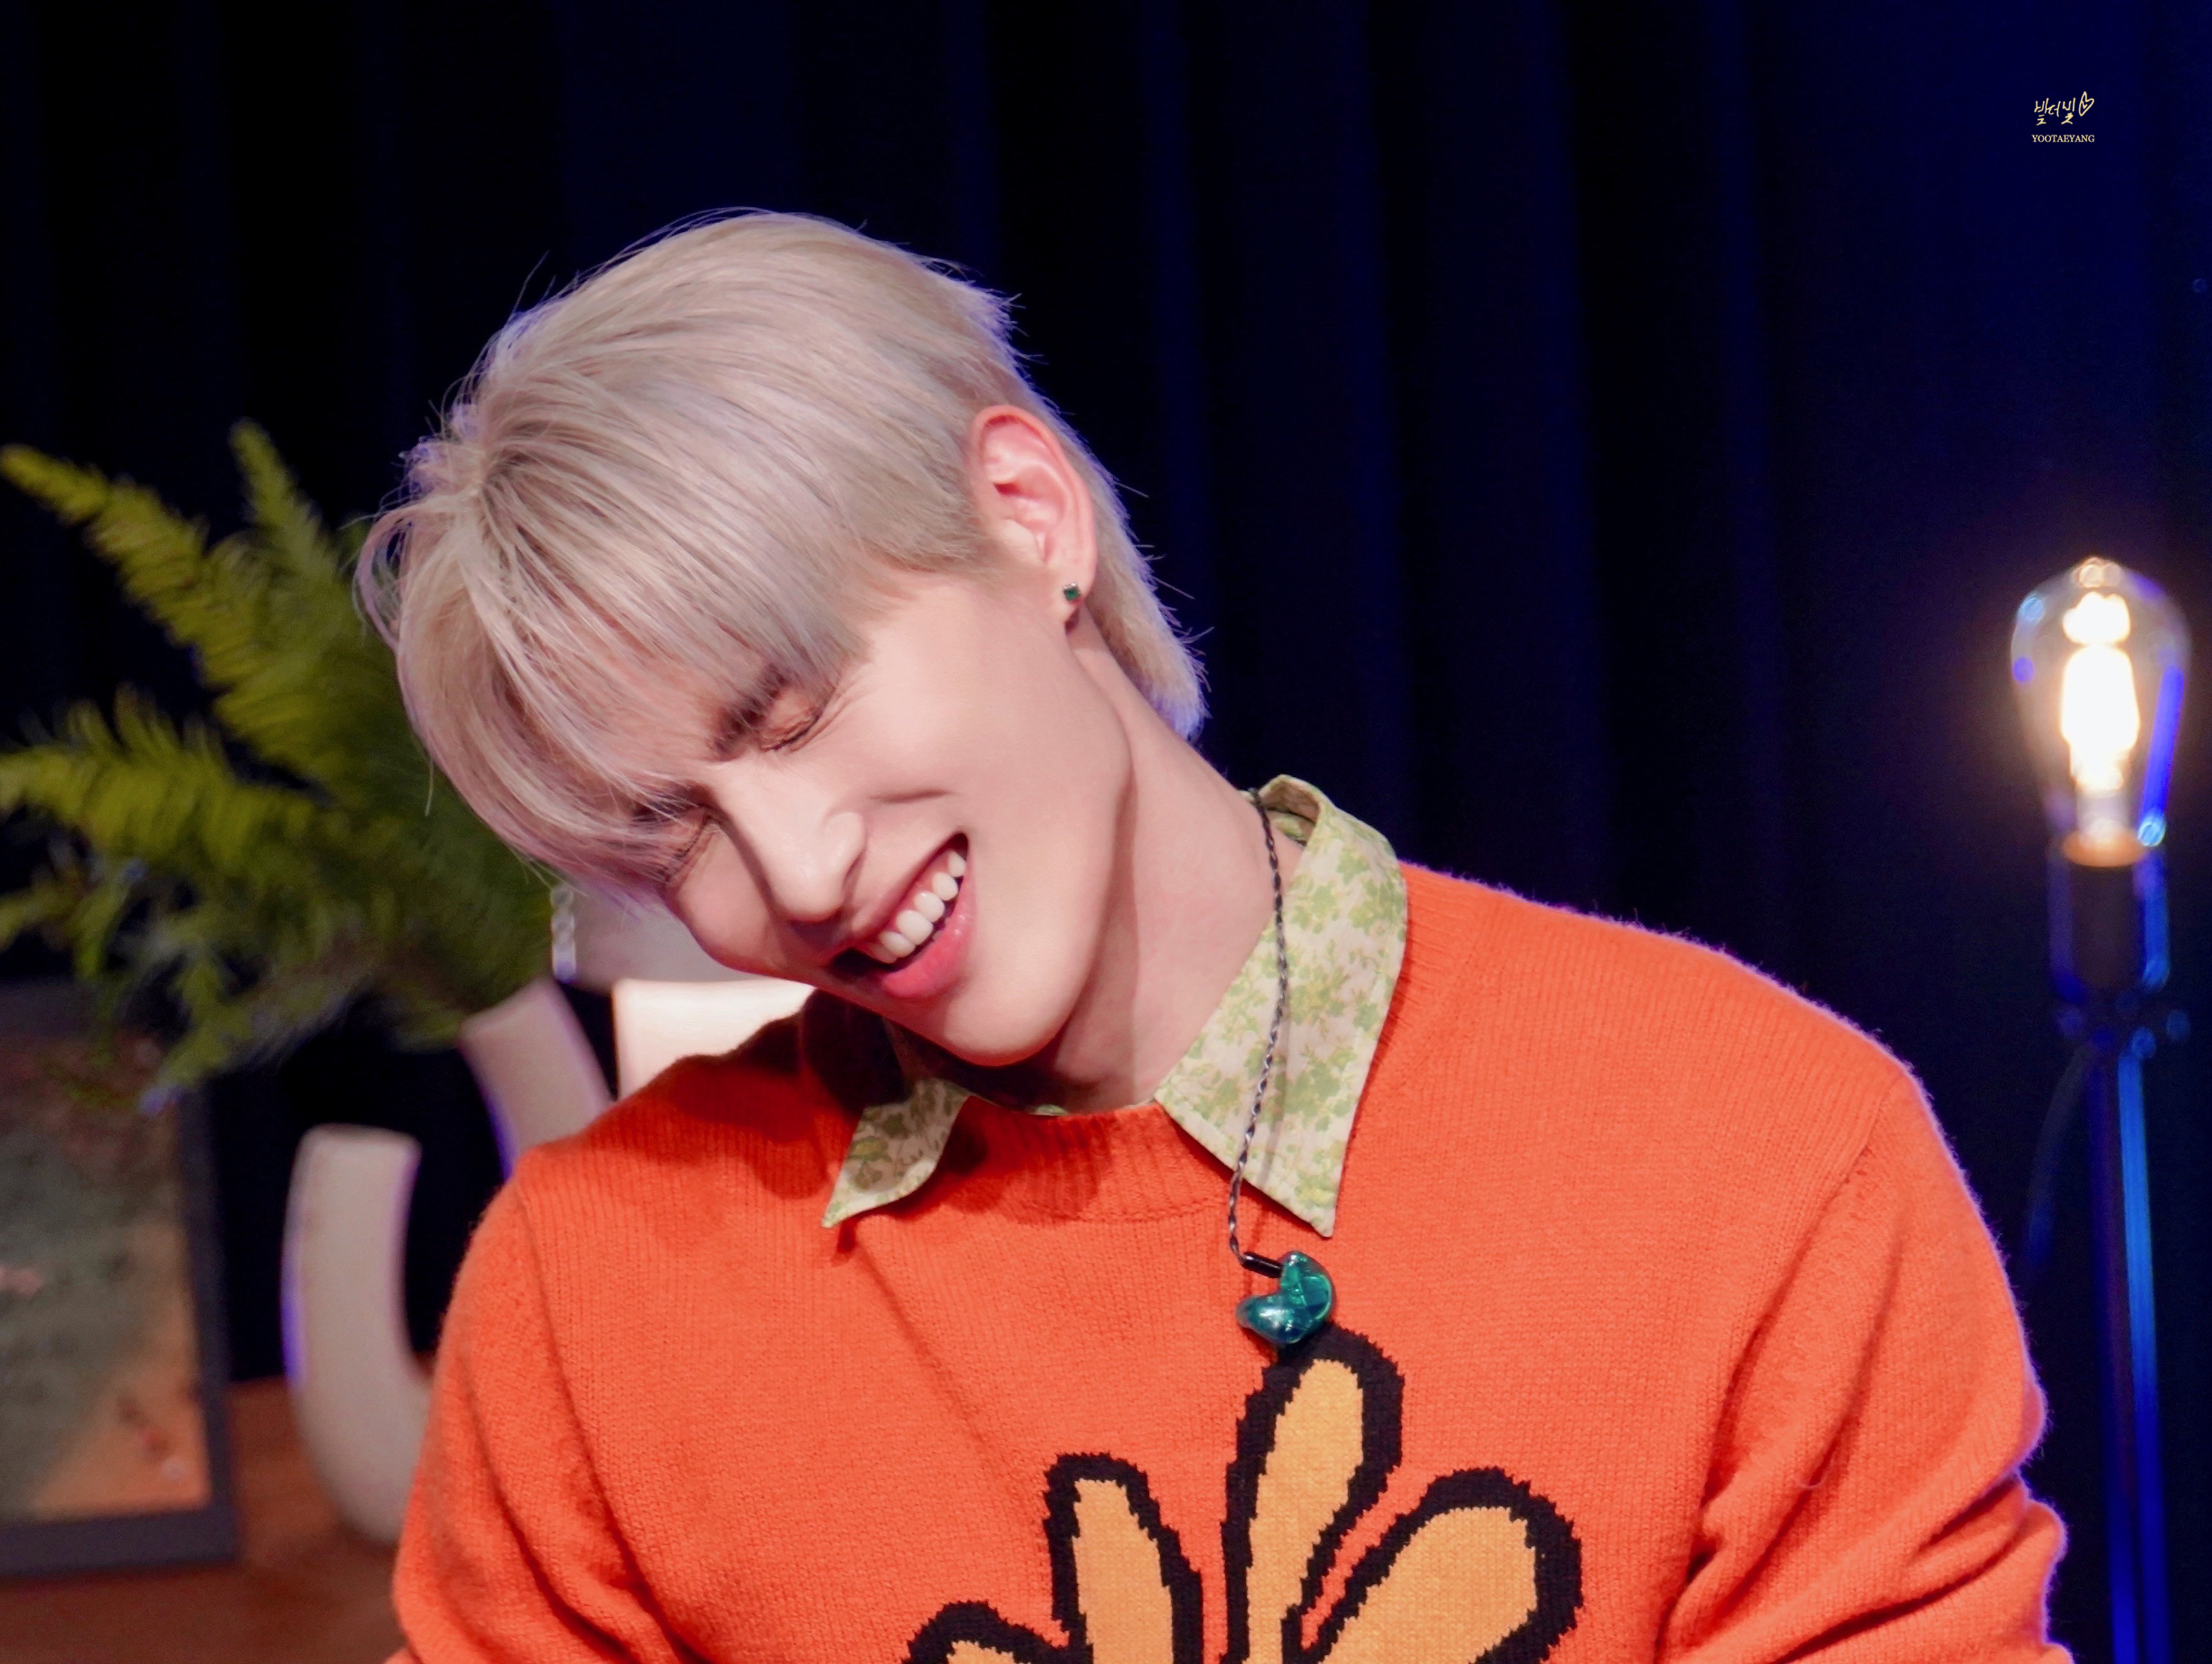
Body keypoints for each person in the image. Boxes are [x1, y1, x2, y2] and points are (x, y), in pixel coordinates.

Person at [362, 212, 2066, 1662]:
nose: (797, 875)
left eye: (791, 710)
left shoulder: (1761, 1154)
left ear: (1026, 515)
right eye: (670, 835)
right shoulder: (593, 1294)